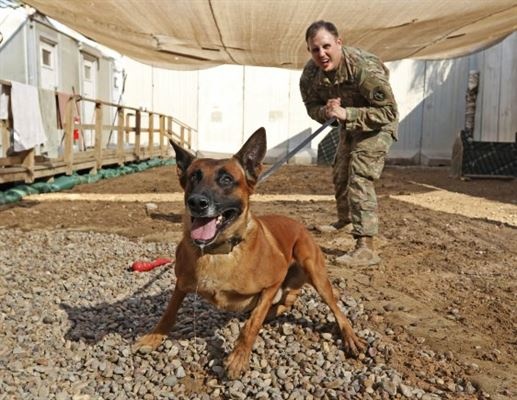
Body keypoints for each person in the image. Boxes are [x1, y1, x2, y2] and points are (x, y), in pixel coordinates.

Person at [299, 20, 399, 267]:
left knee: (359, 176)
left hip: (378, 125)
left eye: (326, 46)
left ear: (339, 43)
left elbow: (388, 112)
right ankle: (345, 220)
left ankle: (366, 247)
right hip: (349, 122)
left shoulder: (363, 68)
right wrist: (326, 111)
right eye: (315, 49)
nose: (322, 54)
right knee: (340, 174)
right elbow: (311, 106)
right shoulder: (311, 75)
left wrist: (348, 115)